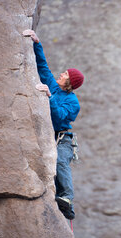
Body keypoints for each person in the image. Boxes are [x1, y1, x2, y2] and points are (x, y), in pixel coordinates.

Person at [23, 29, 84, 220]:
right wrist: (36, 42)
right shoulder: (55, 86)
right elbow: (43, 67)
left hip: (63, 139)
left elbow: (58, 118)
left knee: (60, 162)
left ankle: (66, 198)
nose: (61, 74)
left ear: (70, 83)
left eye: (65, 74)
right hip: (50, 136)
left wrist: (49, 96)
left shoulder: (73, 103)